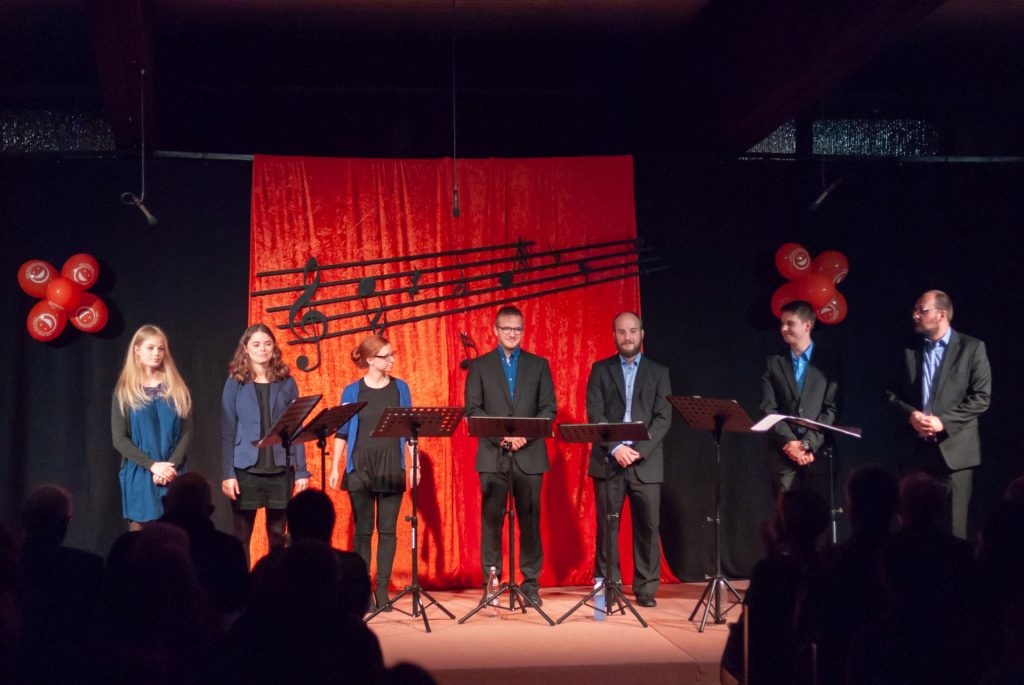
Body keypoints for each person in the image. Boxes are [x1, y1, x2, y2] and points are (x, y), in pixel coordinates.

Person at [465, 305, 556, 607]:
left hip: (530, 455)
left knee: (529, 522)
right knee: (492, 522)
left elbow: (548, 409)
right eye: (506, 328)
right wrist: (502, 437)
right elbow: (473, 411)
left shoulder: (539, 365)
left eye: (517, 328)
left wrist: (523, 437)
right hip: (492, 456)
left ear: (523, 329)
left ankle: (530, 584)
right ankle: (492, 582)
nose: (512, 334)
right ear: (495, 330)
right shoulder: (479, 366)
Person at [886, 290, 991, 539]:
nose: (915, 315)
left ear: (941, 314)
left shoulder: (971, 347)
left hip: (955, 453)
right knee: (912, 531)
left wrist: (942, 421)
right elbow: (889, 394)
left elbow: (981, 398)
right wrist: (911, 415)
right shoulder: (908, 349)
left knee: (954, 531)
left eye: (921, 310)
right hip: (916, 452)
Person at [585, 311, 672, 607]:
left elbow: (664, 418)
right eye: (622, 332)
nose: (627, 337)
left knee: (648, 526)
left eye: (633, 331)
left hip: (645, 461)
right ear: (614, 335)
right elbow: (595, 414)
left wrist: (638, 450)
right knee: (607, 527)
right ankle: (609, 587)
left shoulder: (659, 372)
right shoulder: (600, 369)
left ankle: (646, 588)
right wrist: (615, 448)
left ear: (642, 334)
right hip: (609, 461)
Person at [328, 334, 415, 611]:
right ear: (369, 360)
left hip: (391, 465)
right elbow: (342, 431)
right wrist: (334, 466)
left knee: (388, 531)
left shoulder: (401, 388)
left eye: (392, 355)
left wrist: (415, 464)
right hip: (360, 466)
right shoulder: (351, 391)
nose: (391, 360)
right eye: (386, 356)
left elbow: (411, 430)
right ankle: (362, 590)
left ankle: (383, 590)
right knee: (363, 532)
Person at [221, 323, 310, 559]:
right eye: (257, 344)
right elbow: (228, 429)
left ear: (274, 348)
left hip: (280, 469)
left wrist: (301, 472)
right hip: (245, 470)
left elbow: (296, 427)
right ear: (246, 349)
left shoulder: (286, 382)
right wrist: (228, 473)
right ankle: (243, 590)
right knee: (241, 537)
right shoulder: (235, 382)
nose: (263, 349)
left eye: (268, 344)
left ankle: (275, 590)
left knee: (278, 536)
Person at [112, 324, 194, 529]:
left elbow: (186, 431)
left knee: (175, 533)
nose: (156, 353)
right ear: (137, 350)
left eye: (161, 348)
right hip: (140, 472)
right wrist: (152, 465)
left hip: (173, 471)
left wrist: (169, 466)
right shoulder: (125, 391)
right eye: (150, 348)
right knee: (139, 541)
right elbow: (119, 439)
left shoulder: (177, 386)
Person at [760, 300, 840, 499]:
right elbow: (768, 409)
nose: (784, 328)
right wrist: (791, 443)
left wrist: (806, 444)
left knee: (818, 521)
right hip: (783, 456)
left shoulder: (828, 362)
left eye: (790, 323)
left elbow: (831, 409)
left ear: (807, 326)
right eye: (782, 324)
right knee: (785, 521)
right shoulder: (772, 362)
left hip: (818, 454)